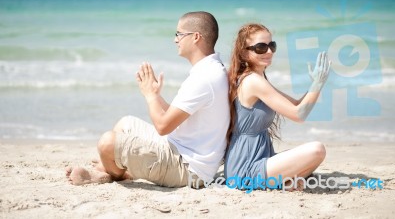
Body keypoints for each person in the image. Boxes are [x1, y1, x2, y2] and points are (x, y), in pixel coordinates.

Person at [66, 11, 230, 188]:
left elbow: (163, 126)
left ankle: (110, 174)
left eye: (179, 34)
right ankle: (109, 169)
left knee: (107, 142)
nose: (175, 40)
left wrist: (150, 96)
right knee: (125, 123)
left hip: (188, 169)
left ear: (196, 37)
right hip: (180, 148)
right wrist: (157, 95)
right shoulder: (210, 69)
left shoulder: (205, 77)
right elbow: (177, 118)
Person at [224, 23, 330, 191]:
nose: (269, 51)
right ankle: (283, 183)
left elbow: (295, 104)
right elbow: (298, 114)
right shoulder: (252, 81)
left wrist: (316, 84)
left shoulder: (258, 79)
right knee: (317, 150)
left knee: (315, 155)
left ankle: (284, 183)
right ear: (244, 52)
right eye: (261, 47)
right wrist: (317, 84)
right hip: (244, 169)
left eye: (272, 46)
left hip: (259, 160)